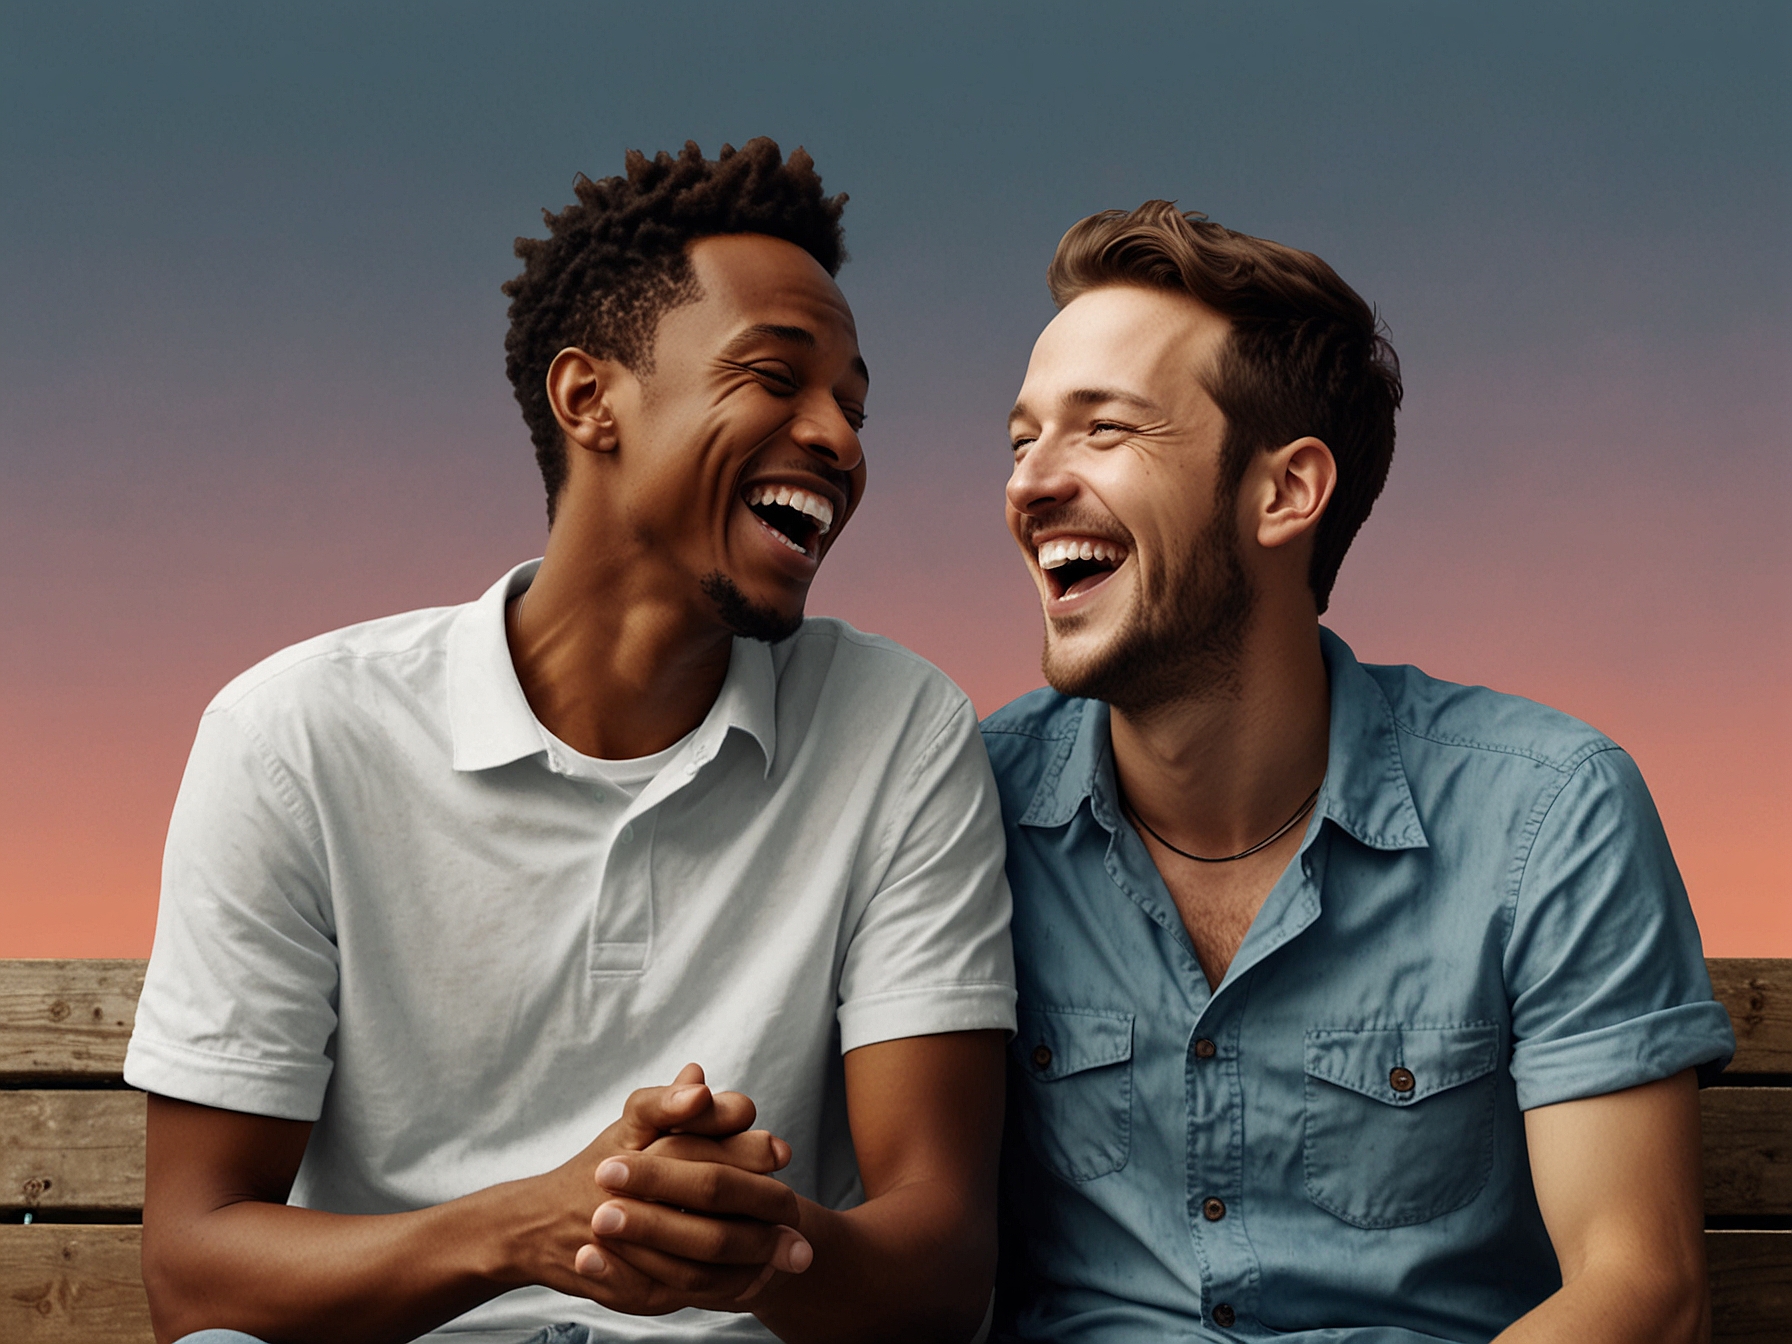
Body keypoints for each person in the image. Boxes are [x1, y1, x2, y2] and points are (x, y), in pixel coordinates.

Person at [124, 139, 1015, 1344]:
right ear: (589, 399)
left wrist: (745, 1240)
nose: (840, 440)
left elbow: (943, 1263)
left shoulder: (898, 731)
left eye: (853, 408)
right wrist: (531, 1227)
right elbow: (193, 1269)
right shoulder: (294, 738)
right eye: (775, 378)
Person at [983, 201, 1734, 1343]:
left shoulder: (1548, 812)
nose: (1030, 485)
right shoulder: (962, 808)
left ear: (1285, 492)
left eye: (1104, 431)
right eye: (1022, 437)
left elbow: (1641, 1289)